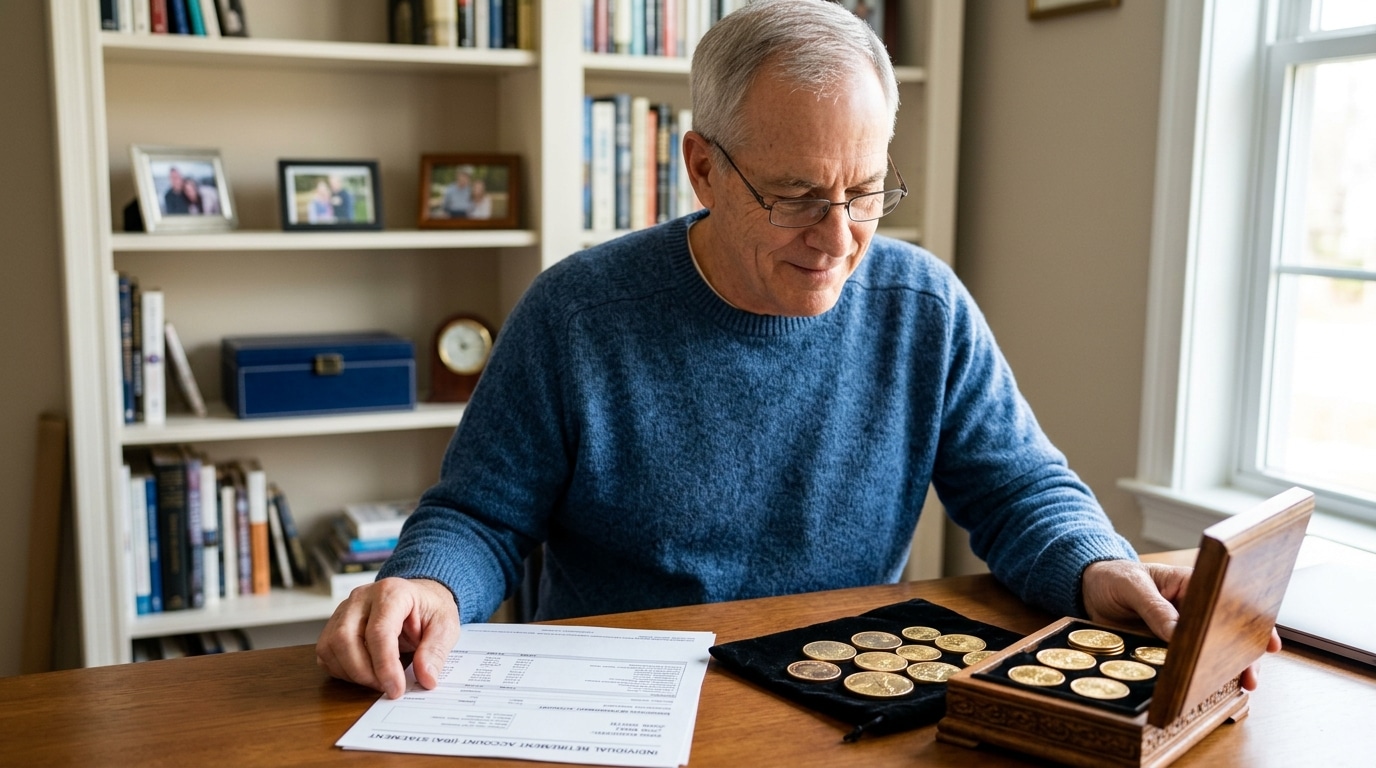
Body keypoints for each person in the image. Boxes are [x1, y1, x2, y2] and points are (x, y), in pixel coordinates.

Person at [317, 0, 1278, 700]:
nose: (838, 237)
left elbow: (1022, 490)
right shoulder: (579, 310)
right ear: (702, 168)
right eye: (793, 195)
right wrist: (426, 584)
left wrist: (1094, 565)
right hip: (615, 701)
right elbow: (480, 516)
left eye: (864, 191)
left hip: (840, 692)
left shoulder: (922, 306)